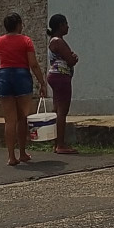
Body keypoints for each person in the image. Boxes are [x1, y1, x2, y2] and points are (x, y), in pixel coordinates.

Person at [0, 12, 47, 166]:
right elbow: (33, 63)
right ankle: (23, 152)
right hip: (21, 75)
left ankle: (11, 156)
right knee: (22, 117)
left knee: (9, 120)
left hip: (4, 75)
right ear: (18, 24)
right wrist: (42, 82)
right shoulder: (26, 40)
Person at [47, 14, 78, 155]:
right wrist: (74, 58)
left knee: (57, 109)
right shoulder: (58, 42)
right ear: (60, 25)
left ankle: (56, 142)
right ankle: (60, 144)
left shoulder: (54, 41)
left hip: (55, 76)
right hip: (61, 76)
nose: (68, 26)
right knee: (62, 111)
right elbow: (70, 60)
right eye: (65, 24)